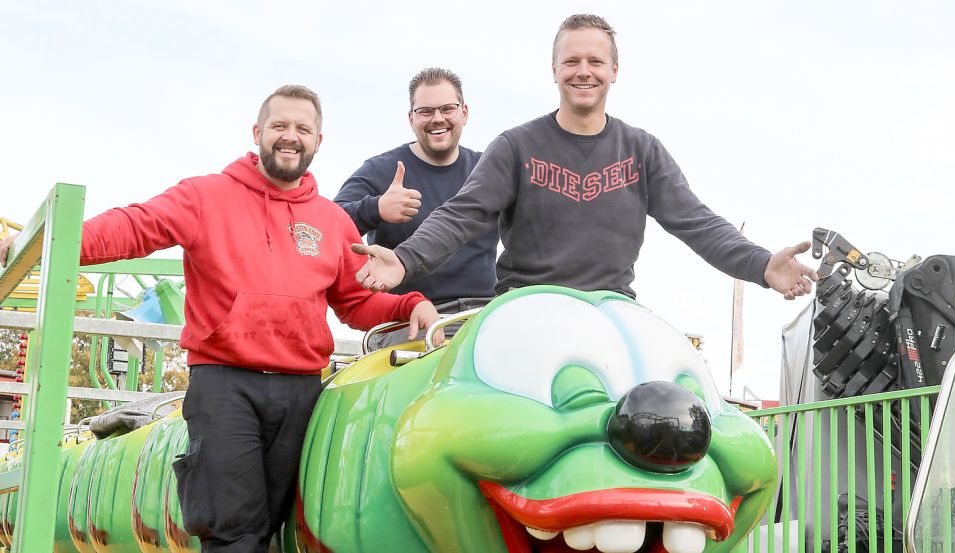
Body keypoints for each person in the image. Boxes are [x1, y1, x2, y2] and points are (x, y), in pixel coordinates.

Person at [1, 85, 439, 552]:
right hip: (226, 382)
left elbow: (355, 301)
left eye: (302, 129)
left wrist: (407, 305)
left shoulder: (332, 222)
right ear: (257, 133)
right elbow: (135, 226)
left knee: (274, 528)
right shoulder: (206, 196)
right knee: (233, 528)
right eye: (280, 126)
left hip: (301, 388)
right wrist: (51, 241)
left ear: (318, 140)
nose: (290, 137)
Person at [352, 14, 819, 302]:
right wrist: (404, 259)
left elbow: (696, 222)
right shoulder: (516, 146)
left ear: (614, 70)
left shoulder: (642, 150)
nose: (583, 71)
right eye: (571, 61)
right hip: (524, 309)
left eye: (595, 61)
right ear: (554, 70)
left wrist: (761, 266)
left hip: (611, 309)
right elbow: (461, 214)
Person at [334, 68, 497, 346]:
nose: (437, 119)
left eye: (448, 108)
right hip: (408, 319)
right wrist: (376, 208)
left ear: (464, 113)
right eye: (425, 111)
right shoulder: (381, 169)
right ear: (411, 118)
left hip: (483, 314)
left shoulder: (488, 170)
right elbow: (327, 225)